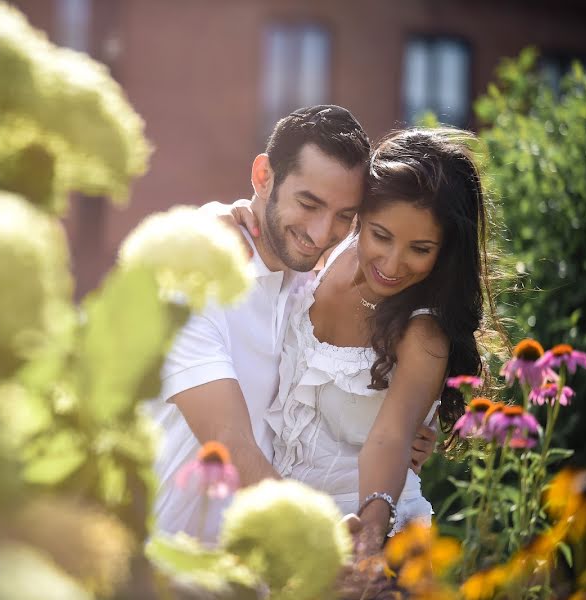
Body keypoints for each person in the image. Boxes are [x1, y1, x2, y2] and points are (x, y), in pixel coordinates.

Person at [145, 106, 437, 543]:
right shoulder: (194, 277)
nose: (322, 233)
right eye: (309, 203)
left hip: (246, 573)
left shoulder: (307, 284)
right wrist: (319, 544)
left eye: (344, 216)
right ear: (264, 176)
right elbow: (230, 440)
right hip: (161, 562)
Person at [235, 127, 494, 550]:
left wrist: (373, 524)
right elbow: (275, 210)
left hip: (362, 535)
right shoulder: (327, 249)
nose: (392, 264)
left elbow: (389, 438)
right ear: (360, 216)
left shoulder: (424, 332)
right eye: (381, 236)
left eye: (421, 248)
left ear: (445, 249)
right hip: (280, 530)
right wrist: (228, 214)